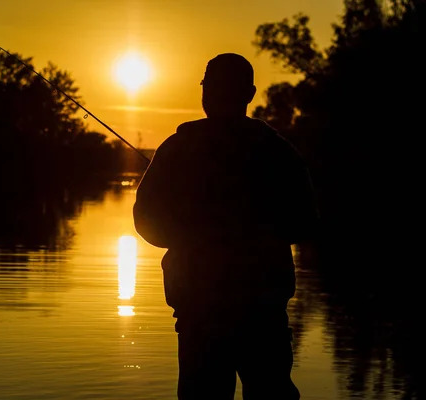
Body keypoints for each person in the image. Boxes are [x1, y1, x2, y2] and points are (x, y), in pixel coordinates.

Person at [132, 53, 318, 399]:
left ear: (247, 93)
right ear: (249, 93)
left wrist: (191, 232)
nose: (211, 94)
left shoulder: (177, 149)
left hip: (206, 313)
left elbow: (145, 222)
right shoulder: (279, 152)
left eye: (214, 87)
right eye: (209, 87)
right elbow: (305, 223)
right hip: (257, 313)